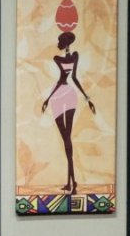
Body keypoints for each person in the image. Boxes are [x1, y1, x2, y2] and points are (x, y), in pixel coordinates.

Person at [41, 31, 96, 195]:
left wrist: (88, 99)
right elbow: (73, 79)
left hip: (60, 96)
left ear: (65, 43)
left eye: (61, 42)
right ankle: (71, 183)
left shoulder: (59, 59)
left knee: (66, 139)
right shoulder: (71, 57)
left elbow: (63, 80)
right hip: (67, 95)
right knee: (67, 139)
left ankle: (73, 184)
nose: (59, 44)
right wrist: (87, 99)